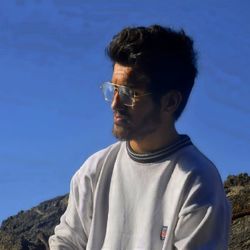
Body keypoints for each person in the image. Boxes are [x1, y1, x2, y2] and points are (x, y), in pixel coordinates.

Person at [49, 25, 231, 250]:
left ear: (170, 102)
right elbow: (66, 243)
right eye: (113, 89)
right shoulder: (93, 171)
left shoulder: (197, 181)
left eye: (128, 93)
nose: (115, 103)